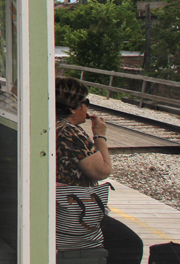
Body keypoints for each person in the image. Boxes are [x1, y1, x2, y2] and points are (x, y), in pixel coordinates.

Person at [55, 77, 143, 264]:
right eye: (85, 103)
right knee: (130, 243)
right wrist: (100, 134)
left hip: (56, 203)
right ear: (73, 107)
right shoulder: (70, 133)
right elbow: (102, 171)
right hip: (73, 209)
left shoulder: (50, 125)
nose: (87, 109)